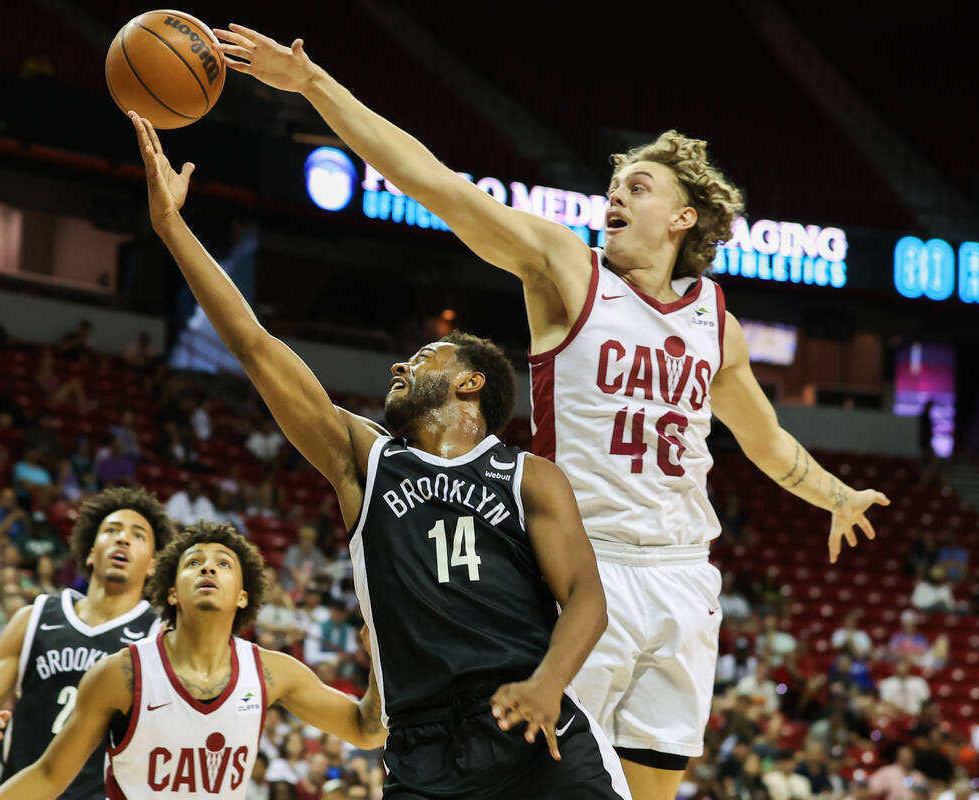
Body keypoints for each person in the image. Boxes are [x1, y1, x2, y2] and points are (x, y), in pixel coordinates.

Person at [213, 23, 891, 800]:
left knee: (647, 791)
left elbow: (766, 442)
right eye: (616, 183)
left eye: (639, 187)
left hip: (682, 575)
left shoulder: (718, 321)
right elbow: (436, 185)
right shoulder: (569, 270)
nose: (616, 195)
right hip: (583, 568)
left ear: (683, 219)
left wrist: (836, 496)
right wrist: (313, 86)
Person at [129, 112, 629, 798]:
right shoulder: (363, 457)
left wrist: (548, 686)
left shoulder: (529, 477)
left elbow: (587, 599)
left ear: (470, 382)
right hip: (422, 748)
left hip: (531, 725)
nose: (400, 364)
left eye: (423, 357)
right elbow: (253, 343)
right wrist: (172, 230)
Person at [0, 522, 387, 800]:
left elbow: (367, 730)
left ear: (243, 596)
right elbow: (50, 775)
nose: (208, 566)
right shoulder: (121, 674)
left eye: (223, 564)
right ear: (172, 592)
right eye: (193, 563)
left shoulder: (272, 672)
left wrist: (380, 660)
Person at [0, 487, 176, 800]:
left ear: (153, 564)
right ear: (90, 551)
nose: (122, 539)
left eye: (138, 535)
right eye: (111, 530)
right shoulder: (35, 618)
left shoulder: (158, 638)